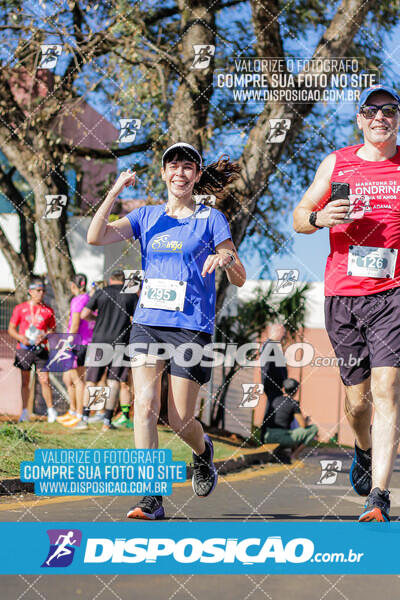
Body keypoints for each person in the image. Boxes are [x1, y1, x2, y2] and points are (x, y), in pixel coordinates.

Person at [87, 141, 246, 519]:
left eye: (188, 166)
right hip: (147, 324)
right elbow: (96, 237)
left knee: (179, 421)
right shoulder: (146, 216)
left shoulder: (211, 219)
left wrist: (225, 258)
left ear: (196, 174)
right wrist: (114, 192)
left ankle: (203, 451)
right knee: (143, 407)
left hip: (191, 328)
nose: (180, 172)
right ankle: (150, 498)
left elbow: (239, 277)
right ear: (163, 173)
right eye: (173, 165)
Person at [293, 83, 400, 522]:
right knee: (357, 404)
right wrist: (319, 218)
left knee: (387, 390)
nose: (380, 117)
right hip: (343, 296)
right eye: (371, 111)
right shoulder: (339, 163)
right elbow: (299, 217)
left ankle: (379, 496)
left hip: (392, 293)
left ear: (397, 118)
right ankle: (362, 446)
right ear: (360, 120)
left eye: (389, 110)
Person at [74, 270, 138, 431]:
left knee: (92, 380)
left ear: (110, 280)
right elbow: (137, 319)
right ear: (123, 281)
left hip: (99, 342)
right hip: (121, 343)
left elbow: (84, 314)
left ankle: (84, 418)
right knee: (114, 381)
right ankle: (107, 422)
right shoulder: (130, 295)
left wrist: (98, 319)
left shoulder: (101, 292)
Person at [8, 277, 57, 422]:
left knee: (44, 380)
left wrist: (45, 335)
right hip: (24, 348)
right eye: (38, 290)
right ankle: (24, 412)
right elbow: (11, 329)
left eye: (43, 291)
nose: (41, 293)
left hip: (41, 349)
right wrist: (20, 337)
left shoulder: (48, 310)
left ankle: (51, 411)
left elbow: (53, 329)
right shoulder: (20, 308)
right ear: (30, 292)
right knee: (25, 381)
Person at [57, 274, 95, 427]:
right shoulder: (88, 298)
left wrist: (67, 344)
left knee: (78, 381)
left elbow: (75, 324)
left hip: (78, 343)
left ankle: (79, 414)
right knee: (74, 380)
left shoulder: (78, 299)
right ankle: (76, 412)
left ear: (74, 285)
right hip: (87, 343)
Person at [263, 378, 318, 463]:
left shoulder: (275, 400)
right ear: (296, 391)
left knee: (292, 429)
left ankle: (278, 453)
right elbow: (303, 425)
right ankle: (294, 455)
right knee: (314, 428)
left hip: (268, 436)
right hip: (283, 438)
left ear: (283, 389)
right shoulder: (293, 403)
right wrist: (306, 421)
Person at [254, 323, 288, 444]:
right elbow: (266, 367)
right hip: (272, 384)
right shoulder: (270, 345)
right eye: (282, 333)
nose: (284, 336)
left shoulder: (271, 345)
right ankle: (265, 439)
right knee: (271, 411)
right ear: (277, 331)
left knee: (272, 411)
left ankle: (268, 439)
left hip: (274, 384)